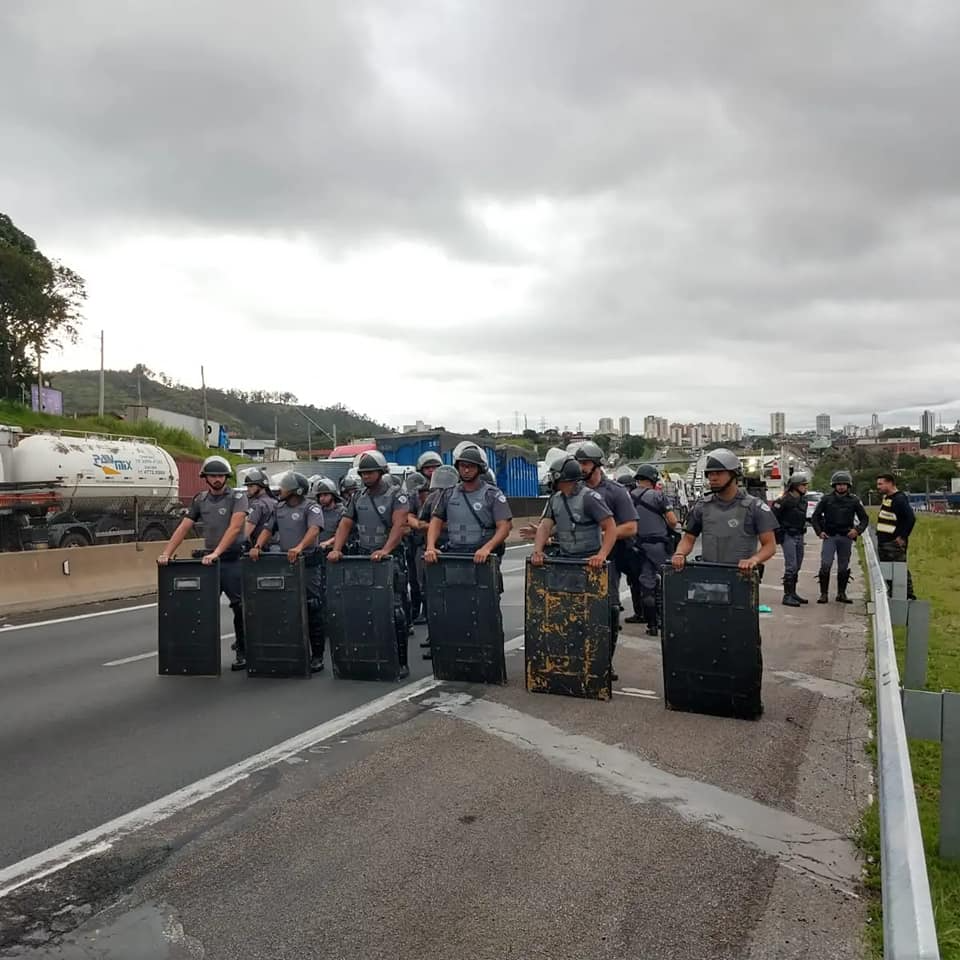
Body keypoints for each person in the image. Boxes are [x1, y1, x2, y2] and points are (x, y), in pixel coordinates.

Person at [157, 455, 249, 671]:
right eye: (213, 475)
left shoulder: (237, 497)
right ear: (205, 478)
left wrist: (218, 552)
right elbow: (184, 526)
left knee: (240, 607)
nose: (217, 479)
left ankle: (244, 651)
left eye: (221, 475)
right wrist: (167, 553)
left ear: (226, 477)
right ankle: (198, 653)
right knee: (201, 608)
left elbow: (235, 527)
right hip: (209, 562)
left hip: (232, 560)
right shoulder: (200, 500)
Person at [328, 451, 412, 678]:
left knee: (395, 611)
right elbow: (346, 524)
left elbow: (399, 524)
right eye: (363, 473)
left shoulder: (397, 495)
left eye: (370, 472)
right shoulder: (358, 497)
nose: (366, 476)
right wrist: (336, 548)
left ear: (381, 472)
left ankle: (401, 661)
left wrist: (385, 550)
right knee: (363, 608)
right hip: (364, 558)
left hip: (390, 560)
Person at [250, 471, 325, 672]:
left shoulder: (311, 507)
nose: (280, 490)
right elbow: (268, 529)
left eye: (284, 487)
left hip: (307, 562)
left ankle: (317, 655)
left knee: (312, 607)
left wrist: (300, 547)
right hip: (286, 564)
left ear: (296, 491)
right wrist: (257, 545)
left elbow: (314, 529)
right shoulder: (279, 508)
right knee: (286, 607)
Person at [672, 448, 778, 573]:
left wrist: (754, 560)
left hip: (741, 578)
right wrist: (680, 554)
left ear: (734, 474)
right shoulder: (702, 506)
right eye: (710, 474)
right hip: (707, 577)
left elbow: (770, 545)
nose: (713, 478)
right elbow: (688, 538)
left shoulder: (754, 507)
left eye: (719, 473)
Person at [425, 445, 513, 572]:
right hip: (455, 554)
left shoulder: (492, 494)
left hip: (482, 557)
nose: (466, 470)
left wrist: (487, 548)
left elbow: (504, 527)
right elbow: (435, 521)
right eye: (463, 466)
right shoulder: (448, 493)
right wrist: (431, 546)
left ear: (479, 469)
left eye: (471, 466)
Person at [572, 441, 638, 606]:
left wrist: (603, 535)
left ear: (597, 465)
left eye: (585, 463)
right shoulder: (573, 491)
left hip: (609, 554)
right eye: (578, 463)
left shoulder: (616, 491)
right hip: (578, 554)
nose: (580, 467)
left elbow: (631, 527)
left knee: (606, 601)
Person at [626, 464, 679, 635]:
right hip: (659, 546)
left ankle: (652, 625)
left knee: (645, 584)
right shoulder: (658, 496)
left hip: (637, 546)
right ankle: (663, 620)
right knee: (665, 582)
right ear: (653, 479)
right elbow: (673, 521)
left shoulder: (628, 497)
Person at [810, 470, 869, 604]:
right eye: (838, 484)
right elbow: (815, 517)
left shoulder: (854, 500)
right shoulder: (826, 499)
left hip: (846, 537)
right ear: (834, 485)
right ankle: (823, 594)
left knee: (844, 566)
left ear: (848, 486)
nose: (841, 486)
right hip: (829, 536)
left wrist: (857, 530)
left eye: (844, 484)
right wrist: (819, 532)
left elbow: (864, 519)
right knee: (826, 564)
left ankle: (841, 593)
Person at [875, 473, 917, 599]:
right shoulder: (887, 498)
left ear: (890, 483)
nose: (878, 487)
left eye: (880, 484)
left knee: (899, 569)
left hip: (893, 542)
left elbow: (910, 518)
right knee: (888, 570)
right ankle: (894, 593)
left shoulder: (899, 499)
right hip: (884, 541)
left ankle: (907, 595)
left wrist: (902, 537)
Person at [772, 472, 810, 607]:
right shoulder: (784, 500)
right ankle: (787, 595)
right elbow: (773, 517)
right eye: (803, 485)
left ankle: (793, 593)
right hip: (788, 534)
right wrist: (779, 534)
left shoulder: (803, 500)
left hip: (799, 534)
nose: (805, 487)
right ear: (795, 486)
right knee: (791, 565)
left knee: (797, 565)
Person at [404, 471, 429, 624]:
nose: (420, 494)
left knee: (425, 582)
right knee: (415, 581)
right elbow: (408, 518)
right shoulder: (412, 499)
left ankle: (427, 613)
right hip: (414, 544)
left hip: (428, 545)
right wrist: (416, 525)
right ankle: (416, 611)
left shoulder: (437, 499)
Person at [243, 467, 276, 552]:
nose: (248, 489)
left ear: (260, 486)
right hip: (278, 548)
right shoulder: (276, 502)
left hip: (260, 550)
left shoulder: (257, 505)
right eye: (247, 486)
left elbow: (246, 532)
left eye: (251, 486)